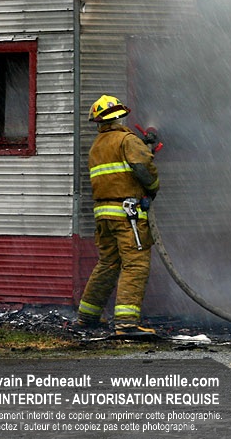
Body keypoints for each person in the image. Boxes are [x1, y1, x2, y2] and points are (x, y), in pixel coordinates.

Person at [76, 94, 160, 335]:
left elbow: (118, 172)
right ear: (121, 116)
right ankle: (126, 323)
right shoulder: (127, 140)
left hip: (104, 216)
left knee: (108, 264)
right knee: (135, 264)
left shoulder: (98, 146)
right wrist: (152, 189)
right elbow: (142, 169)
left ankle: (87, 316)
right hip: (127, 216)